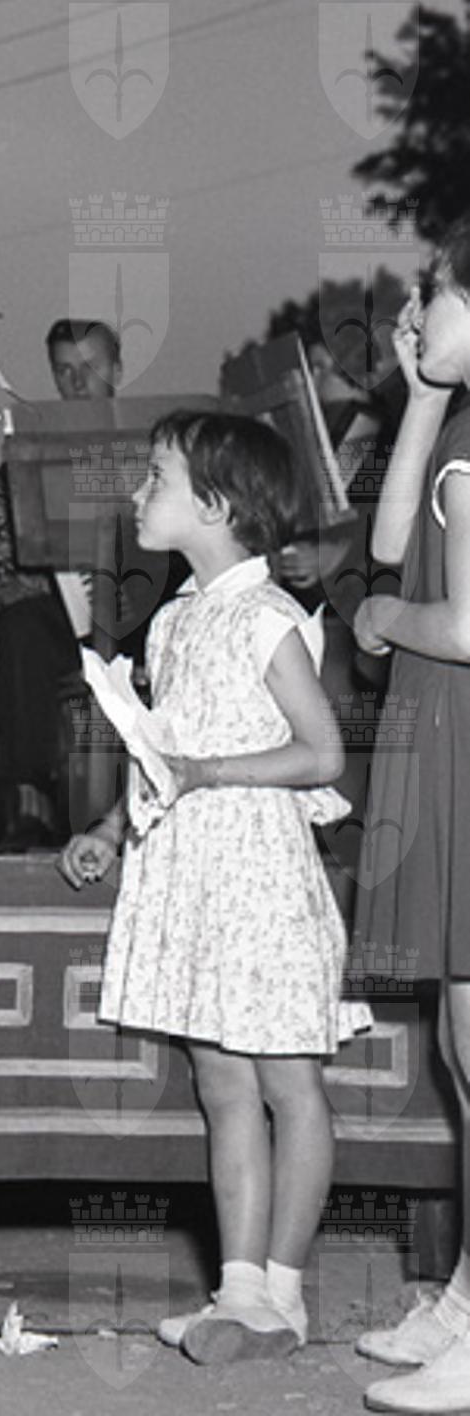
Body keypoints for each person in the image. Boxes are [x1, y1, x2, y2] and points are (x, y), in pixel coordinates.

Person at [60, 411, 365, 1365]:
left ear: (218, 504)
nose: (137, 493)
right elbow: (164, 748)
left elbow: (321, 754)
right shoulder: (175, 617)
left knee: (286, 1081)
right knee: (220, 1080)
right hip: (193, 872)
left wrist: (208, 773)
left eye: (155, 477)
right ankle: (237, 1292)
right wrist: (111, 828)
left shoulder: (263, 615)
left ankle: (282, 1293)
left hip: (259, 876)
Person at [349, 233, 470, 1413]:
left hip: (464, 741)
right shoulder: (458, 431)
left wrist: (386, 615)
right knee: (460, 1050)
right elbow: (390, 541)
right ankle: (464, 1303)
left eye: (431, 295)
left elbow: (467, 621)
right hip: (447, 741)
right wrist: (422, 394)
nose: (413, 310)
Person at [0, 317, 165, 851]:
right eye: (64, 370)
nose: (77, 382)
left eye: (90, 367)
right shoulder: (29, 452)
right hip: (64, 619)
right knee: (19, 630)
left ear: (117, 370)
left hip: (148, 612)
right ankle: (27, 800)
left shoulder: (156, 448)